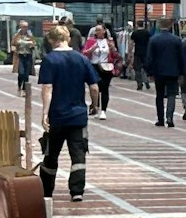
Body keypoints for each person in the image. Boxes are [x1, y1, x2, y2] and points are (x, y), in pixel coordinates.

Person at [36, 24, 97, 203]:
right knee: (78, 153)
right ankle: (77, 190)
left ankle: (46, 190)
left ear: (53, 40)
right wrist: (95, 105)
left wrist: (44, 113)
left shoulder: (50, 60)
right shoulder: (81, 58)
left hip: (57, 115)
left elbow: (47, 88)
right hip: (78, 115)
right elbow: (94, 87)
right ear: (68, 38)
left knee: (51, 152)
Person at [146, 19, 182, 127]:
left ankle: (160, 119)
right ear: (170, 26)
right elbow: (180, 57)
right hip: (173, 71)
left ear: (159, 26)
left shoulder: (153, 39)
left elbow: (149, 57)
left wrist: (149, 72)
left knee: (159, 95)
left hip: (159, 71)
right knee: (172, 94)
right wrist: (181, 72)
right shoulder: (176, 40)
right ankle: (170, 116)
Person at [83, 24, 118, 116]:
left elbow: (115, 55)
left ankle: (103, 110)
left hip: (106, 67)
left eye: (99, 30)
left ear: (104, 31)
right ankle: (95, 106)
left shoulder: (109, 41)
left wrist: (113, 48)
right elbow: (84, 53)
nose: (97, 32)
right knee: (96, 88)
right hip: (94, 66)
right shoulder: (91, 41)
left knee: (105, 88)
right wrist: (92, 49)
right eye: (96, 30)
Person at [11, 26, 36, 92]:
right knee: (21, 73)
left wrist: (31, 44)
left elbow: (34, 43)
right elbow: (13, 44)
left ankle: (25, 89)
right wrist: (13, 48)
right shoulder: (17, 35)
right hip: (20, 56)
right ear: (21, 27)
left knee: (26, 73)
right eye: (24, 27)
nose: (25, 28)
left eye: (26, 27)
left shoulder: (30, 35)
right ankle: (19, 86)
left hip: (28, 56)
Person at [128, 21, 151, 90]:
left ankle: (139, 84)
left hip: (137, 52)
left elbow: (131, 43)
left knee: (137, 68)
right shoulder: (147, 33)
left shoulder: (135, 33)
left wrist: (130, 53)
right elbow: (150, 42)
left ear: (137, 25)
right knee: (145, 68)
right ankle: (146, 81)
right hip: (146, 52)